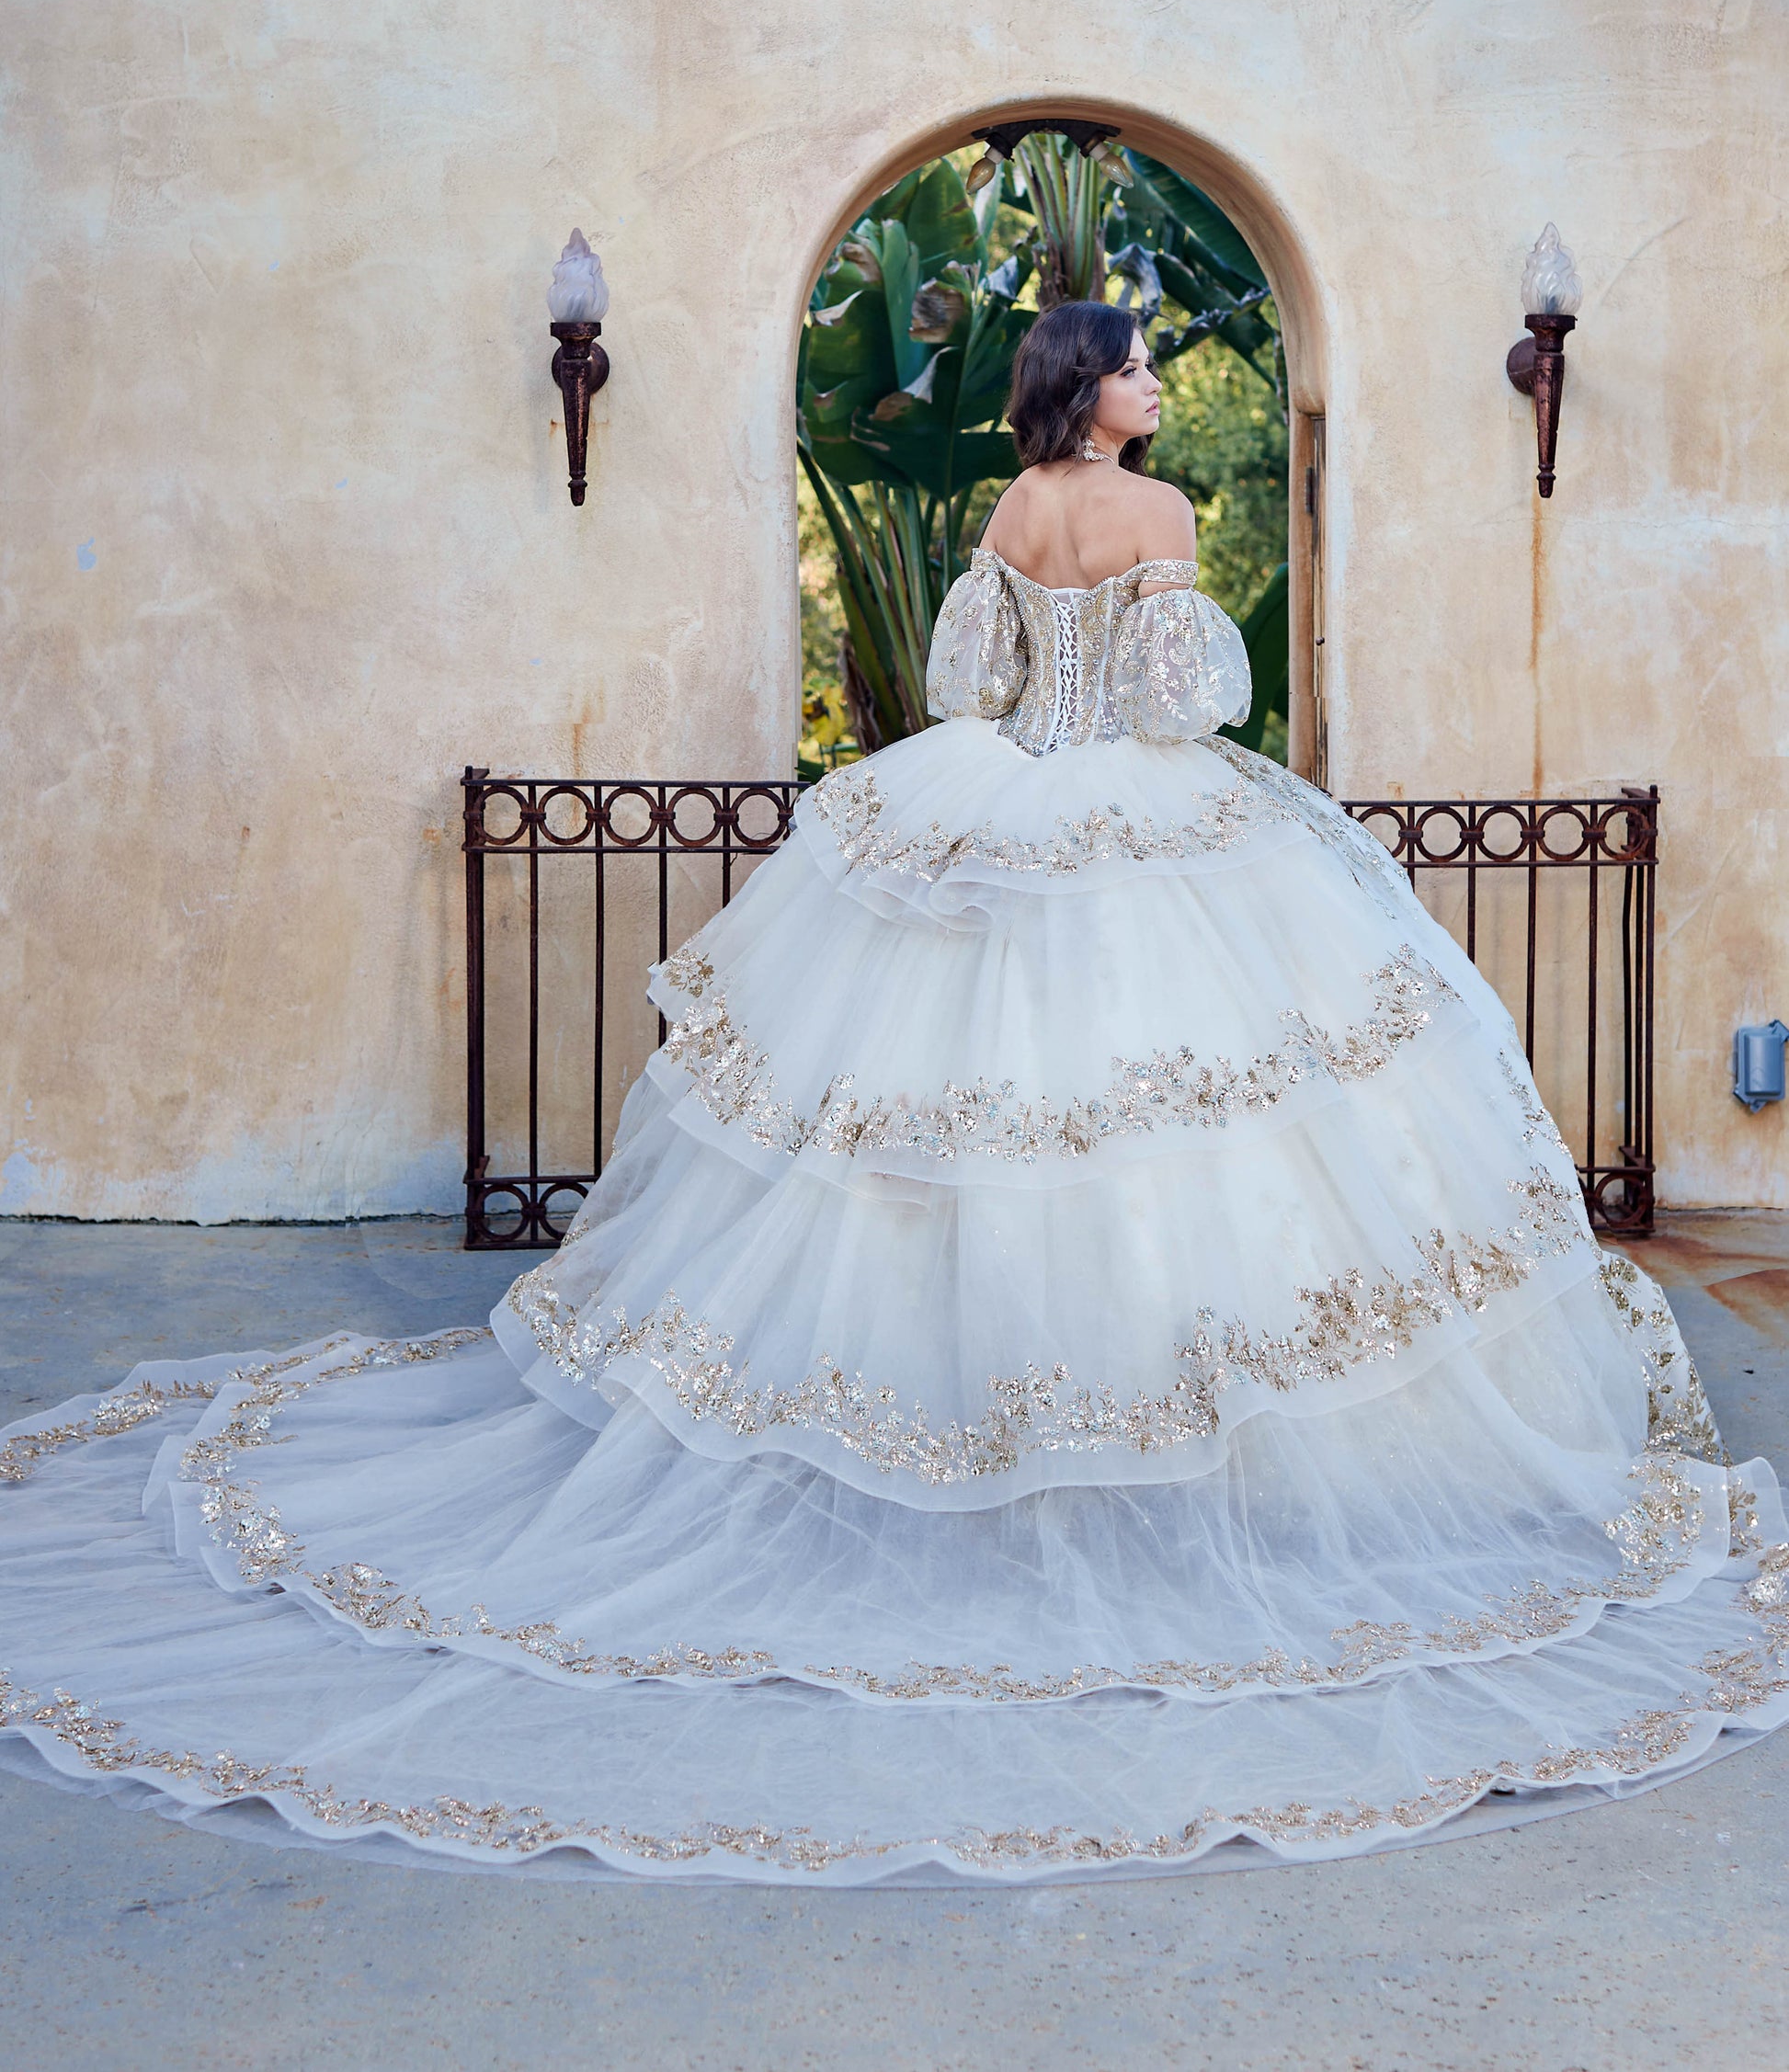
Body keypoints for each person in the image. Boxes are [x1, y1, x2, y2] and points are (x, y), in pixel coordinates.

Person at [2, 301, 1785, 1882]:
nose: (1158, 382)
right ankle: (1124, 1456)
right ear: (1093, 392)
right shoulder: (1156, 513)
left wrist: (1027, 740)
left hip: (985, 803)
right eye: (1142, 362)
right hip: (1141, 831)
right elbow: (1182, 700)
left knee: (935, 1145)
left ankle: (957, 1436)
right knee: (1163, 1148)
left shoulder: (1015, 509)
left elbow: (964, 683)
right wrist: (1144, 689)